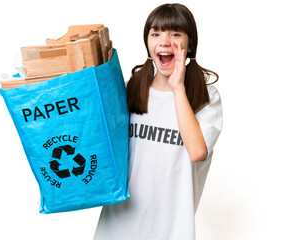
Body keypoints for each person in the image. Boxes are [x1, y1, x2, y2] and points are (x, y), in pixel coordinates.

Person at [94, 3, 222, 240]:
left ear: (190, 44)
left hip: (171, 230)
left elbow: (196, 152)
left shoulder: (206, 97)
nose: (164, 41)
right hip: (117, 227)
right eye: (156, 33)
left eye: (175, 33)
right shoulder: (131, 90)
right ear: (148, 45)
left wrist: (177, 88)